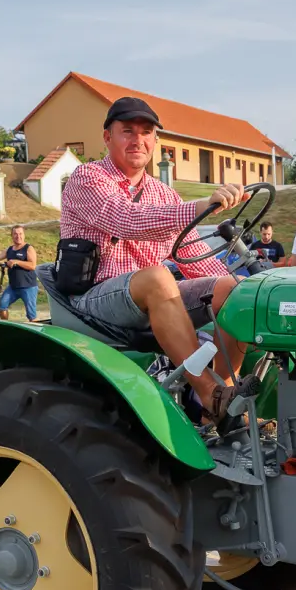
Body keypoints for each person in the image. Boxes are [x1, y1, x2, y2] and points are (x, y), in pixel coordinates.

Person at [57, 96, 251, 417]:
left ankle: (225, 395)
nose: (138, 140)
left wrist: (247, 289)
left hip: (153, 297)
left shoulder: (164, 194)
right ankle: (207, 392)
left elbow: (194, 256)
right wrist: (201, 207)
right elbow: (128, 219)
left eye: (146, 132)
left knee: (236, 290)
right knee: (159, 277)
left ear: (155, 140)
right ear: (108, 137)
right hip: (96, 299)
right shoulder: (88, 179)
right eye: (128, 131)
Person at [0, 223, 39, 321]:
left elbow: (32, 265)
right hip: (13, 287)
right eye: (15, 234)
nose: (18, 236)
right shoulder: (9, 250)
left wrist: (16, 262)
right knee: (2, 307)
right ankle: (6, 325)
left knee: (31, 316)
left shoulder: (28, 248)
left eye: (20, 234)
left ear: (24, 235)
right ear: (12, 236)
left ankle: (39, 333)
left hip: (28, 287)